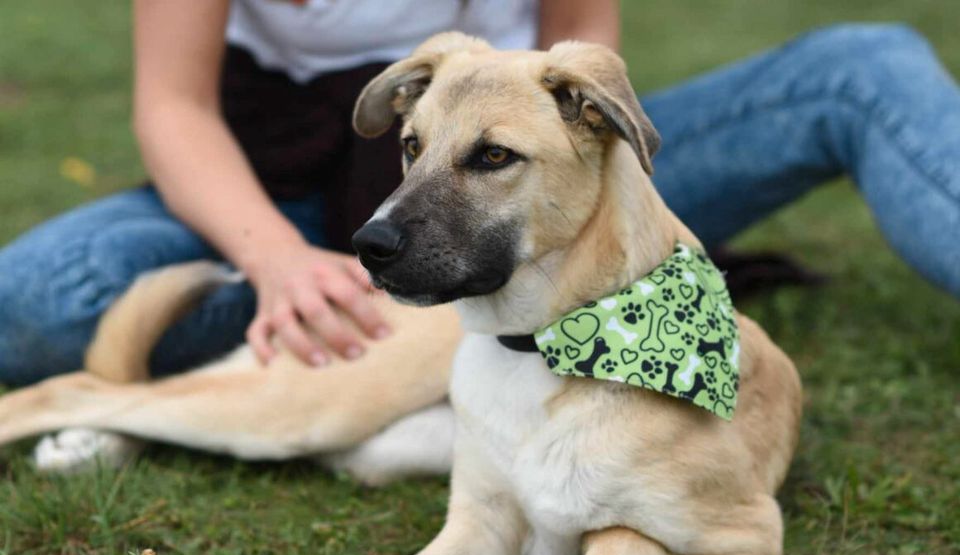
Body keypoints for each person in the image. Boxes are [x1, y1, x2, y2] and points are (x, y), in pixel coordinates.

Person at [0, 0, 957, 388]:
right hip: (276, 183)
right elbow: (173, 107)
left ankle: (481, 308)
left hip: (540, 171)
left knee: (860, 66)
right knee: (38, 300)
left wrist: (597, 205)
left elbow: (588, 56)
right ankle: (339, 316)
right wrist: (276, 257)